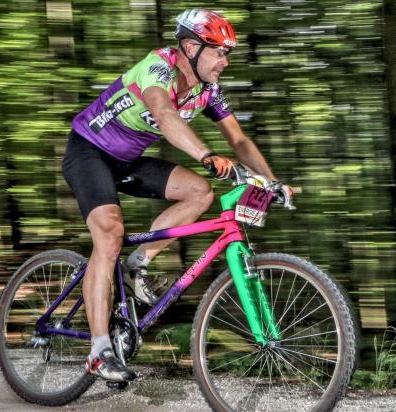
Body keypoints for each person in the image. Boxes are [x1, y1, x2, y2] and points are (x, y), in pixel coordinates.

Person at [62, 8, 293, 382]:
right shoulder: (158, 67)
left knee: (200, 192)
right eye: (219, 52)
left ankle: (138, 262)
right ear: (190, 47)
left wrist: (272, 181)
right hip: (87, 152)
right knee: (109, 233)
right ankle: (99, 349)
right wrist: (205, 154)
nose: (225, 62)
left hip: (126, 160)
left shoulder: (207, 92)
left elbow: (240, 139)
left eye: (227, 54)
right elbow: (164, 113)